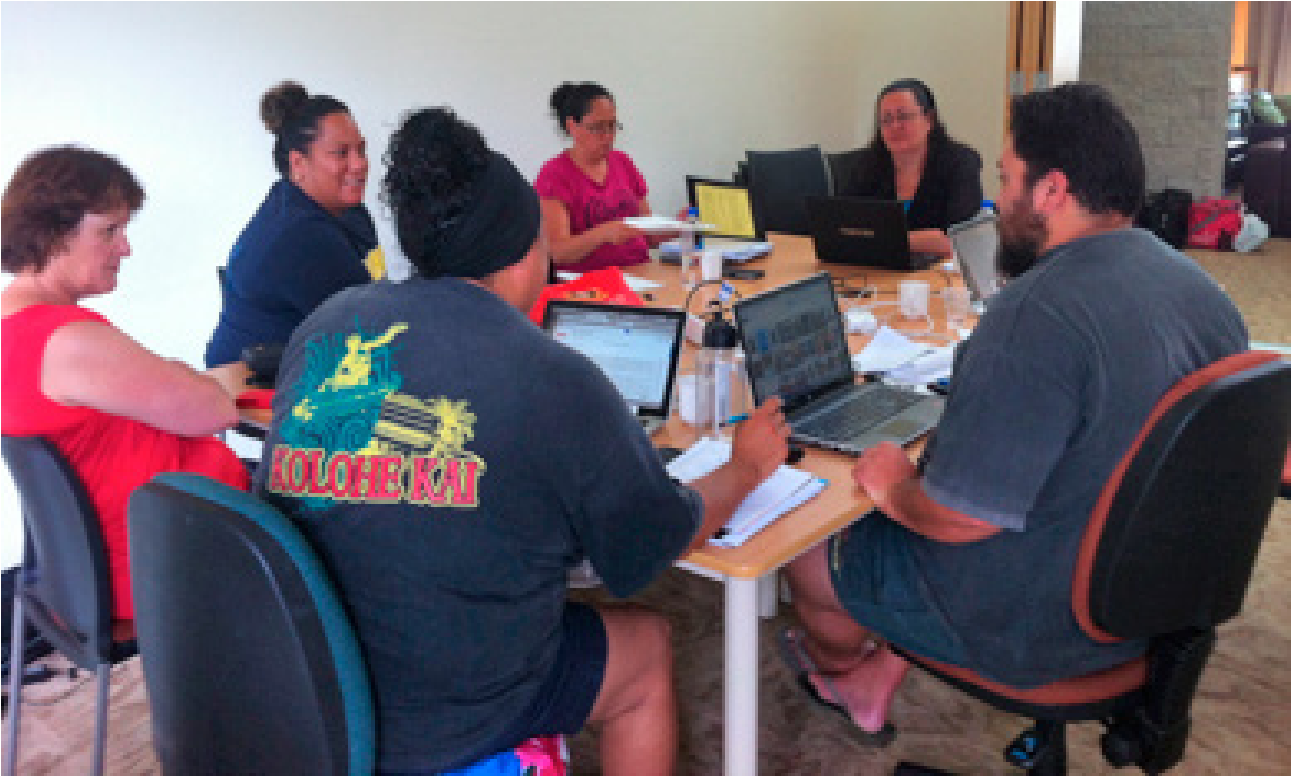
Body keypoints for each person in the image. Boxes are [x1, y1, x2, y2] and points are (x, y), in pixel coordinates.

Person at [255, 106, 790, 774]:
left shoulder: (329, 324)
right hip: (445, 707)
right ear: (520, 256)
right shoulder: (552, 373)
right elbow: (653, 542)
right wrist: (743, 468)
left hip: (309, 672)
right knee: (647, 646)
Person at [778, 83, 1248, 741]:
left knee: (811, 539)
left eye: (1007, 183)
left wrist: (895, 489)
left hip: (1038, 621)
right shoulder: (1202, 290)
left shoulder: (1033, 313)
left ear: (1051, 192)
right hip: (1152, 608)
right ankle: (873, 677)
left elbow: (958, 517)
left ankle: (846, 672)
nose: (997, 206)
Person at [1, 145, 250, 620]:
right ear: (55, 234)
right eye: (110, 231)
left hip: (89, 570)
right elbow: (217, 410)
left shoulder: (13, 324)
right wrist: (179, 374)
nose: (125, 247)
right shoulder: (68, 340)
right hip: (168, 559)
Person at [205, 80, 383, 368]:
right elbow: (373, 330)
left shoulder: (346, 210)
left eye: (361, 150)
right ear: (299, 164)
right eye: (341, 153)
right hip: (251, 392)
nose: (360, 164)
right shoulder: (301, 234)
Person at [833, 78, 984, 263]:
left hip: (939, 274)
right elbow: (842, 227)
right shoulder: (867, 165)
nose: (895, 126)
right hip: (878, 269)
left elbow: (956, 238)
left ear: (929, 120)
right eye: (886, 120)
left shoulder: (960, 163)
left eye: (903, 116)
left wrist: (879, 238)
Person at [536, 82, 671, 273]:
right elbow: (557, 252)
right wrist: (604, 234)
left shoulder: (623, 163)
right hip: (589, 286)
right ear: (572, 126)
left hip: (639, 273)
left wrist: (680, 227)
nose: (608, 136)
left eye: (612, 126)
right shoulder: (554, 175)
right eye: (597, 127)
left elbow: (648, 234)